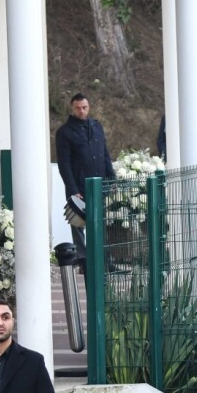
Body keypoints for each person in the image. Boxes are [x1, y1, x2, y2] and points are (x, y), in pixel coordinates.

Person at [56, 92, 116, 274]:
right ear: (72, 108)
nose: (82, 111)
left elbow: (104, 152)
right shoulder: (64, 132)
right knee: (78, 225)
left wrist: (111, 176)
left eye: (85, 107)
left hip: (99, 183)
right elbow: (64, 163)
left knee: (101, 223)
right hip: (78, 187)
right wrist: (72, 188)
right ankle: (83, 260)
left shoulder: (96, 126)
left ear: (89, 107)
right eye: (78, 108)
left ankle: (105, 260)